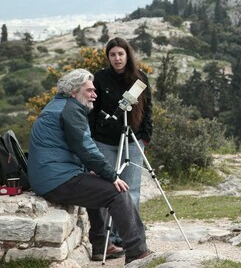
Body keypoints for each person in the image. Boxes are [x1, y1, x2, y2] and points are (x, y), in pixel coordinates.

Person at [28, 69, 152, 264]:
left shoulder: (59, 105)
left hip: (49, 176)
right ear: (73, 91)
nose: (95, 94)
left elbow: (75, 147)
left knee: (98, 184)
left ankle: (102, 247)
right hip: (57, 179)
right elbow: (85, 148)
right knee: (118, 192)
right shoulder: (71, 109)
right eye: (89, 91)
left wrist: (98, 172)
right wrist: (112, 176)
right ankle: (137, 252)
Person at [88, 37, 153, 246]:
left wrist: (145, 137)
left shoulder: (139, 78)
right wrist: (92, 136)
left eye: (120, 54)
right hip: (105, 141)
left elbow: (148, 109)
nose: (117, 58)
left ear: (127, 55)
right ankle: (110, 240)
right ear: (108, 57)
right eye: (113, 54)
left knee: (131, 190)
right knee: (109, 189)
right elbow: (93, 110)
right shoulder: (100, 78)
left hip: (133, 141)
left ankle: (129, 237)